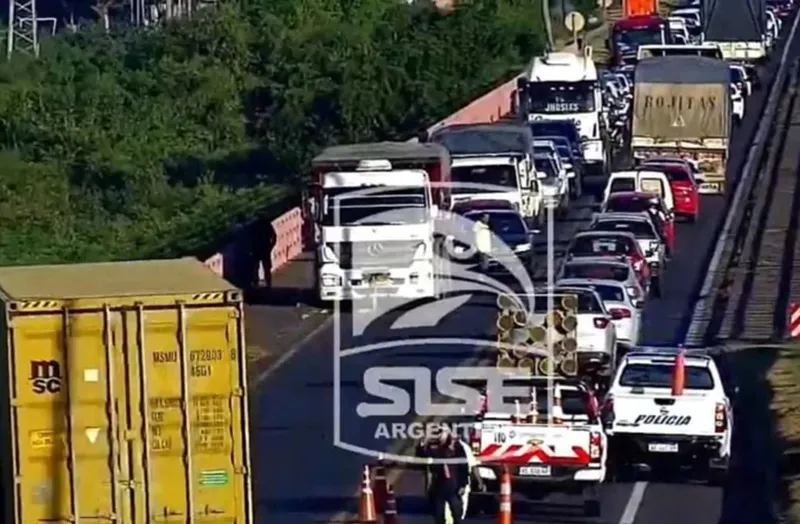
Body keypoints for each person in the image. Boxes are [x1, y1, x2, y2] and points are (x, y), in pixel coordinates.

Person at [419, 428, 470, 524]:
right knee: (438, 515)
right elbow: (423, 454)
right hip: (439, 486)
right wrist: (425, 440)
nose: (441, 435)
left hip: (454, 486)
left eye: (443, 432)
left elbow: (464, 467)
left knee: (457, 514)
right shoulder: (435, 447)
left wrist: (463, 484)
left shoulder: (457, 448)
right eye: (440, 432)